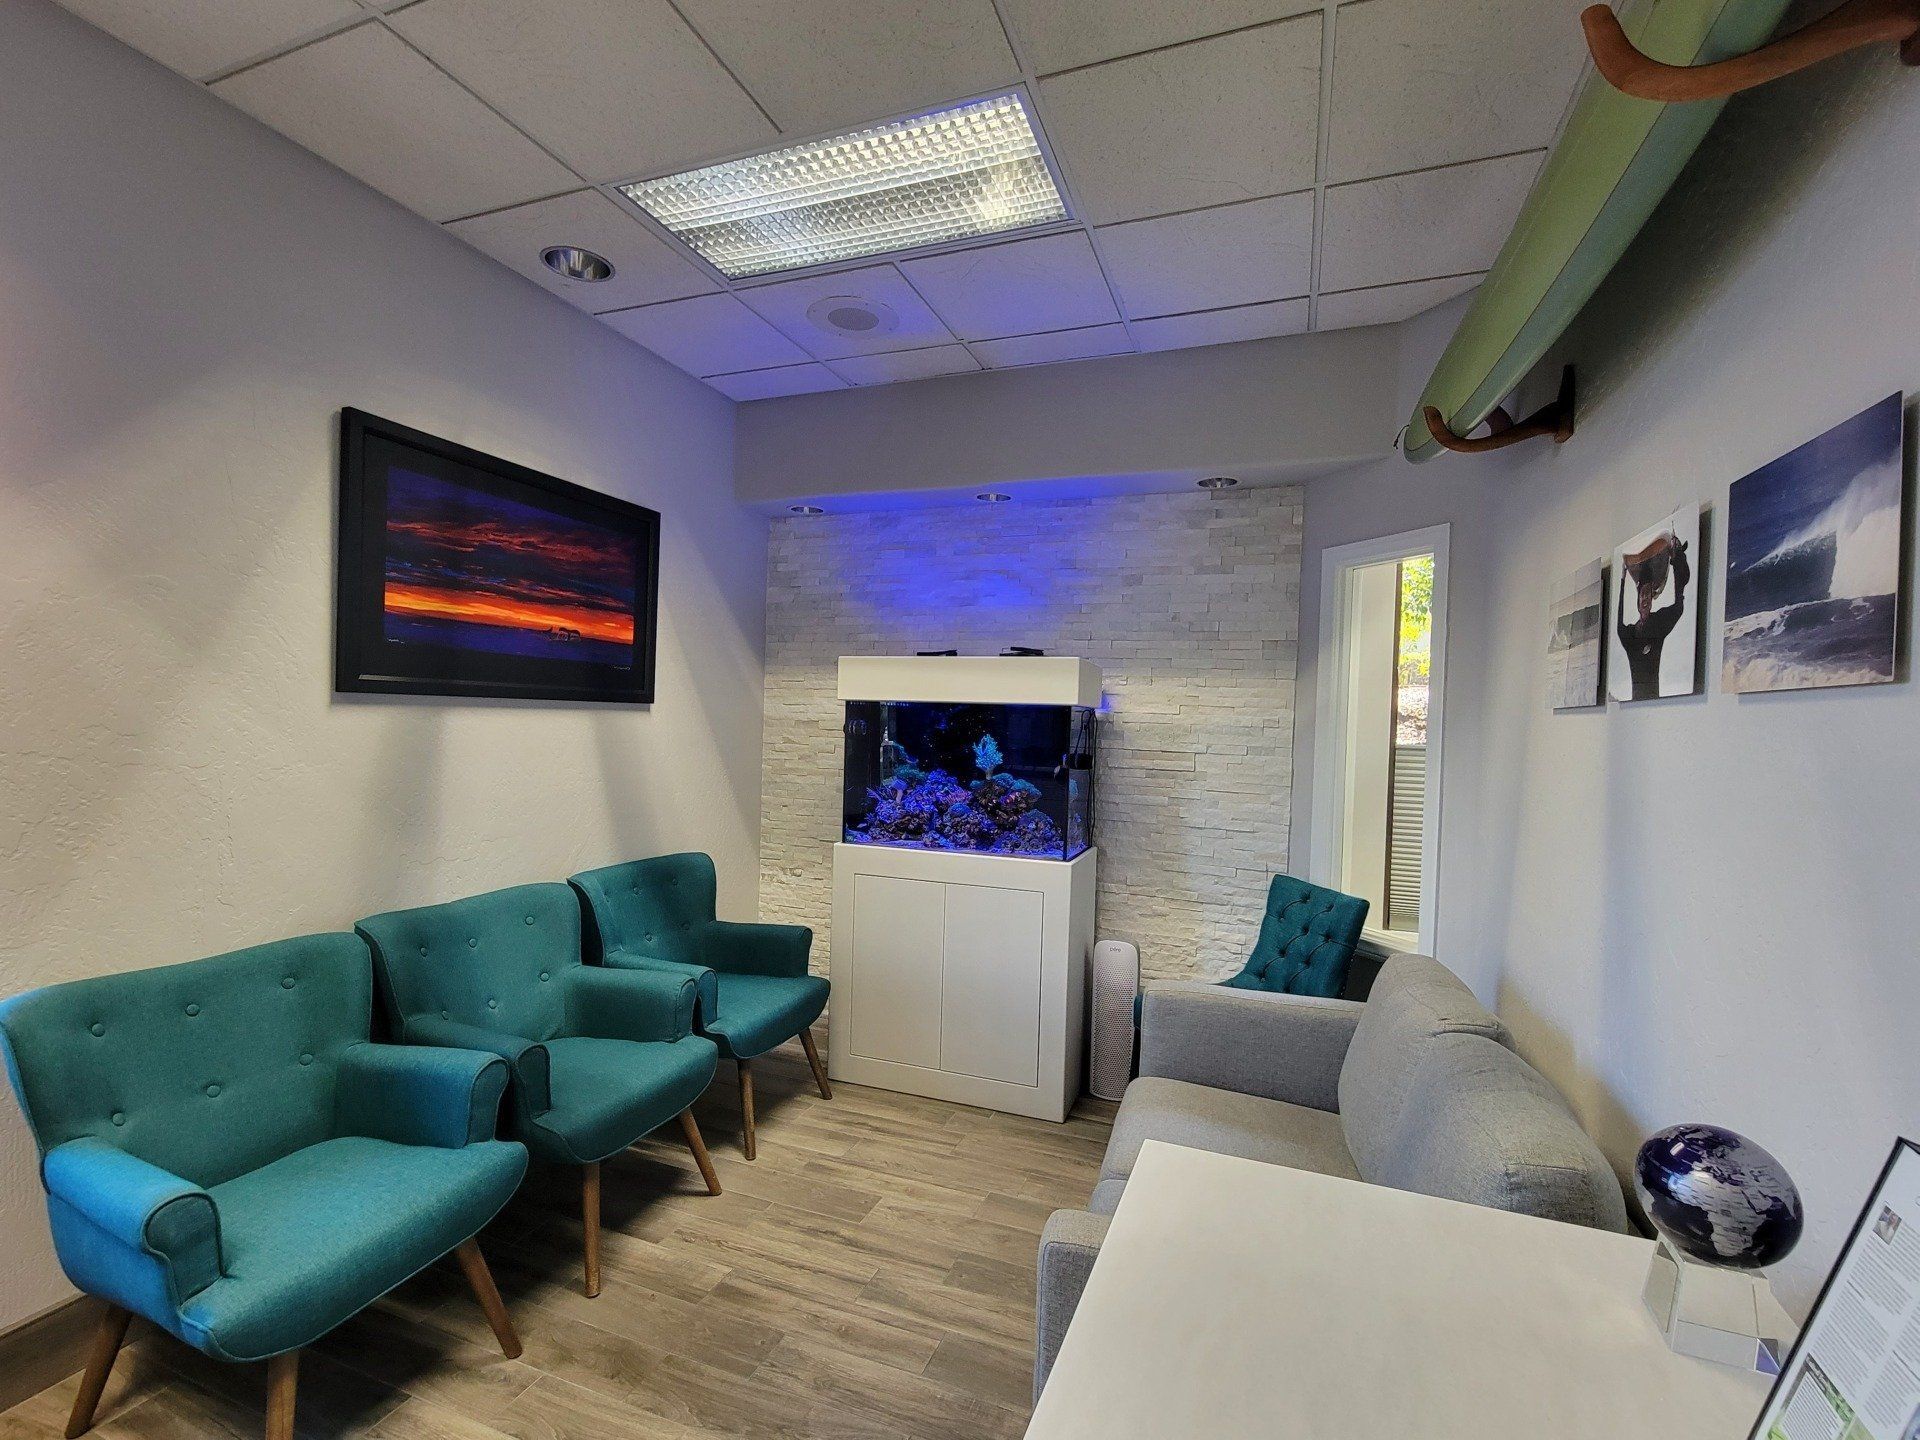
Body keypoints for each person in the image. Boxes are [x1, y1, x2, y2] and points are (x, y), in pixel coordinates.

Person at [1617, 531, 1690, 699]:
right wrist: (1621, 579)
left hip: (1653, 699)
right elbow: (1618, 625)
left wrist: (1677, 560)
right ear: (1637, 598)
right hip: (1636, 701)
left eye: (1649, 595)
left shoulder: (1658, 624)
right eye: (1643, 594)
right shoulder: (1629, 635)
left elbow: (1679, 606)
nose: (1646, 599)